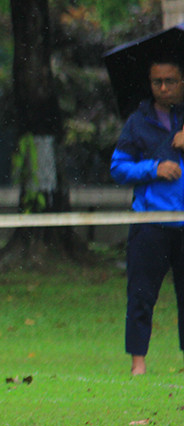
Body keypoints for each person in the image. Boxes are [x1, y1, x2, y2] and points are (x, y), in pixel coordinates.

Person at [111, 59, 184, 376]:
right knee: (140, 295)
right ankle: (138, 362)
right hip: (150, 222)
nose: (164, 87)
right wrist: (153, 169)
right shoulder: (137, 122)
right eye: (157, 82)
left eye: (170, 80)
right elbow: (118, 168)